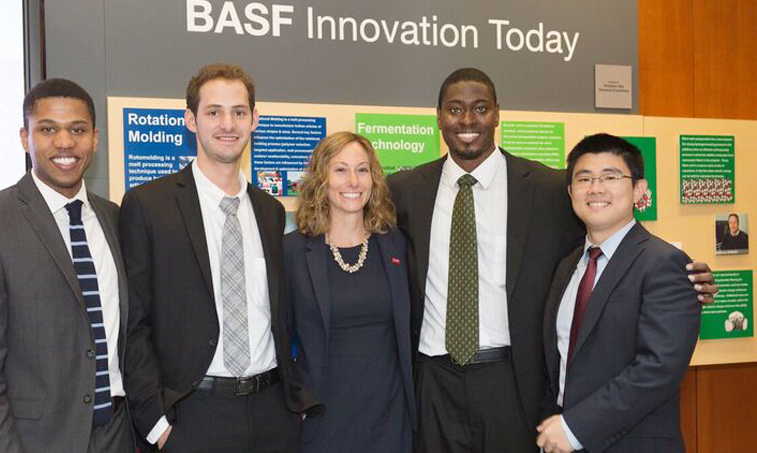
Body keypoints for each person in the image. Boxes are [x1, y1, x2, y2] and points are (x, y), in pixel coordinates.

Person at [386, 67, 718, 452]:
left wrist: (687, 275)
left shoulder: (549, 189)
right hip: (432, 379)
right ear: (438, 115)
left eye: (479, 108)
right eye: (455, 109)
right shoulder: (403, 191)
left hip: (513, 381)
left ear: (497, 113)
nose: (467, 120)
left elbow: (612, 240)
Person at [120, 63, 320, 452]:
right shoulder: (150, 205)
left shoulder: (270, 210)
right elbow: (133, 326)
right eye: (214, 112)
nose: (227, 124)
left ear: (254, 120)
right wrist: (156, 424)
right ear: (191, 120)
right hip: (192, 416)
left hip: (272, 413)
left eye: (239, 112)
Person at [0, 78, 134, 453]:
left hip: (117, 435)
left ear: (95, 138)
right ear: (24, 137)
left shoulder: (114, 218)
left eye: (77, 130)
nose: (65, 143)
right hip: (36, 442)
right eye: (48, 129)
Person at [536, 133, 700, 453]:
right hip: (564, 441)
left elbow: (658, 369)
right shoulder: (567, 266)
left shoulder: (664, 263)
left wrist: (575, 427)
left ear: (639, 190)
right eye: (584, 178)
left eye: (611, 176)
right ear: (571, 191)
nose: (596, 188)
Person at [284, 132, 416, 453]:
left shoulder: (397, 244)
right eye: (340, 170)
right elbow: (278, 338)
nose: (353, 181)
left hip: (390, 417)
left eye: (362, 169)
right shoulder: (293, 251)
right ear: (322, 179)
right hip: (323, 416)